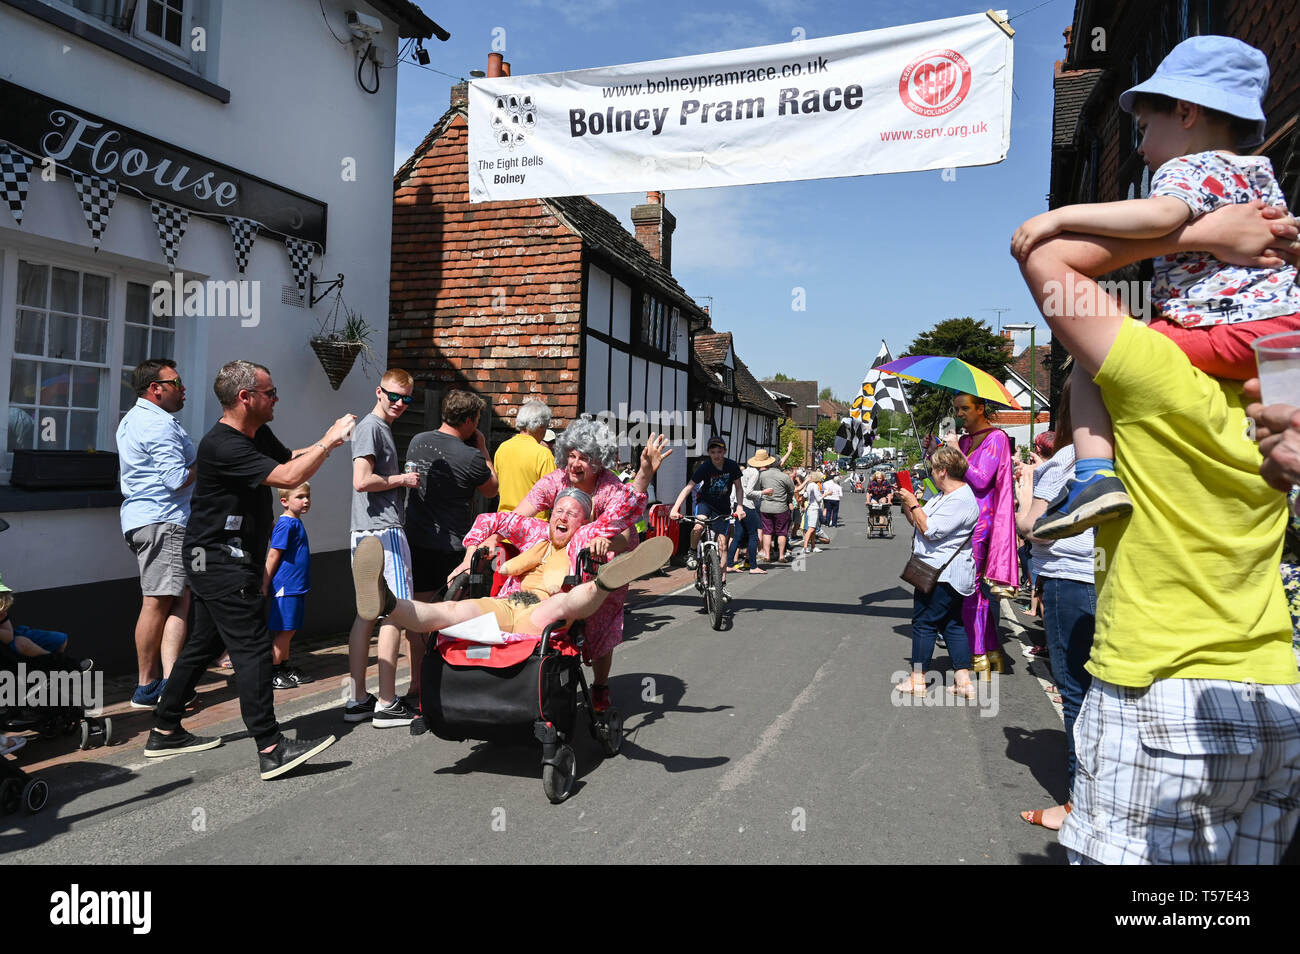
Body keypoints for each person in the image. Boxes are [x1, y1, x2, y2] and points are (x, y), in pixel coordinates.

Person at [1017, 178, 1300, 861]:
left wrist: (1198, 231)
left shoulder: (1154, 373)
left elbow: (1045, 257)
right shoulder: (1282, 395)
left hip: (1161, 691)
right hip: (1275, 696)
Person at [1016, 36, 1300, 540]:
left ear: (1187, 112)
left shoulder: (1188, 169)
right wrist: (1216, 234)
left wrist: (1059, 214)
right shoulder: (1261, 174)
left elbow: (1157, 215)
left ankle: (1094, 474)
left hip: (1221, 330)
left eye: (1144, 129)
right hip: (1280, 338)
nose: (1141, 148)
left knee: (1089, 360)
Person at [147, 360, 351, 781]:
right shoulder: (222, 444)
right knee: (254, 650)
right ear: (246, 398)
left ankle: (165, 728)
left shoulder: (256, 435)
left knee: (202, 646)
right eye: (270, 392)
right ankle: (272, 747)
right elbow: (288, 476)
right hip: (221, 560)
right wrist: (328, 443)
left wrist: (326, 443)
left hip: (220, 559)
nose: (276, 398)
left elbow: (291, 459)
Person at [461, 433, 671, 712]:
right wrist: (493, 538)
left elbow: (624, 531)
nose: (574, 463)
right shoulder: (555, 480)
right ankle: (527, 679)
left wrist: (606, 542)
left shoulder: (609, 487)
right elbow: (521, 514)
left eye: (583, 458)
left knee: (599, 626)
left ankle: (600, 686)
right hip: (558, 553)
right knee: (533, 606)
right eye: (571, 456)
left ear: (598, 463)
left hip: (603, 555)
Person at [353, 493, 674, 647]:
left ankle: (605, 582)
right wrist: (470, 554)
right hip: (513, 601)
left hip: (548, 606)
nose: (563, 516)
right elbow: (491, 519)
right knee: (450, 610)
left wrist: (643, 476)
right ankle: (388, 603)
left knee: (565, 601)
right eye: (558, 510)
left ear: (584, 522)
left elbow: (625, 521)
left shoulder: (586, 536)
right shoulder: (535, 530)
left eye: (573, 514)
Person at [1012, 379, 1095, 831]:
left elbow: (1036, 528)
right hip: (1119, 575)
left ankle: (1079, 803)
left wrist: (1026, 495)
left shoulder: (1069, 458)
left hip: (1071, 577)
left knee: (1077, 691)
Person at [404, 389, 499, 704]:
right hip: (452, 549)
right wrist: (483, 448)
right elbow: (492, 487)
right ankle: (449, 683)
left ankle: (417, 686)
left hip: (416, 541)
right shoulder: (471, 456)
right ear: (471, 420)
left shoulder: (417, 441)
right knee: (454, 617)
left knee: (418, 618)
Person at [115, 359, 195, 709]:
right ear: (155, 388)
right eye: (177, 382)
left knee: (175, 599)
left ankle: (169, 682)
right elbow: (176, 478)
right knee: (160, 600)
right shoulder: (157, 424)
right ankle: (149, 688)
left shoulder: (134, 419)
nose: (183, 388)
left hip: (147, 519)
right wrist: (209, 459)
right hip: (164, 521)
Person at [344, 370, 420, 728]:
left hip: (363, 532)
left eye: (407, 399)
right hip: (384, 531)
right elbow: (362, 481)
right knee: (395, 613)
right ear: (379, 392)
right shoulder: (373, 428)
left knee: (366, 614)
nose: (400, 403)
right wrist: (401, 479)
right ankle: (387, 703)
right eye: (394, 396)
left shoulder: (376, 428)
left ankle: (359, 699)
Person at [893, 446, 978, 699]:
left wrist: (914, 504)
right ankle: (963, 681)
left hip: (942, 573)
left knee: (924, 623)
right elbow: (918, 522)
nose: (931, 473)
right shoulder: (945, 495)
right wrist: (909, 503)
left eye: (933, 469)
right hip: (942, 571)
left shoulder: (961, 499)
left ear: (943, 471)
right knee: (952, 623)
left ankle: (918, 678)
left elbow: (930, 530)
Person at [944, 394, 1018, 676]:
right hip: (962, 519)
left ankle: (977, 654)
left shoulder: (996, 438)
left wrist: (957, 452)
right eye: (956, 409)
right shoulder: (963, 441)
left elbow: (981, 479)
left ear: (980, 408)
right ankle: (990, 652)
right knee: (974, 591)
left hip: (980, 521)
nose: (960, 414)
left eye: (965, 408)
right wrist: (933, 452)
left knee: (968, 589)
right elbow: (950, 479)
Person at [670, 437, 745, 582]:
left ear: (725, 451)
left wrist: (740, 506)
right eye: (713, 452)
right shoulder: (705, 467)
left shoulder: (732, 466)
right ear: (709, 453)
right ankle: (692, 552)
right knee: (699, 526)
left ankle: (721, 583)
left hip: (722, 507)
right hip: (705, 503)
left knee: (723, 546)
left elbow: (739, 488)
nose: (716, 455)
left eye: (719, 451)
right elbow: (689, 487)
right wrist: (675, 508)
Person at [264, 483, 313, 690]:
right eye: (300, 497)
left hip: (297, 586)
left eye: (307, 496)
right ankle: (273, 671)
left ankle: (284, 667)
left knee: (290, 630)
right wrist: (265, 583)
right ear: (284, 501)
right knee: (284, 631)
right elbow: (274, 554)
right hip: (286, 586)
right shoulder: (286, 524)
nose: (306, 500)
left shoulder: (296, 522)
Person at [494, 399, 556, 513]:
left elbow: (496, 488)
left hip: (505, 521)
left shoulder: (502, 448)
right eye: (546, 426)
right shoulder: (543, 454)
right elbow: (551, 494)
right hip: (533, 523)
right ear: (541, 426)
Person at [728, 449, 776, 574]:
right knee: (753, 535)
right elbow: (749, 492)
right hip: (747, 506)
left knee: (737, 536)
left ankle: (729, 564)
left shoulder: (745, 471)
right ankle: (753, 566)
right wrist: (764, 492)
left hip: (737, 504)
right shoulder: (755, 473)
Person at [758, 461, 797, 563]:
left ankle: (767, 555)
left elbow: (759, 488)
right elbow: (791, 489)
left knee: (767, 531)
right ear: (780, 465)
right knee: (782, 532)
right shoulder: (784, 476)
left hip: (765, 506)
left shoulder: (762, 475)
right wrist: (788, 500)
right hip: (781, 507)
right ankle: (781, 555)